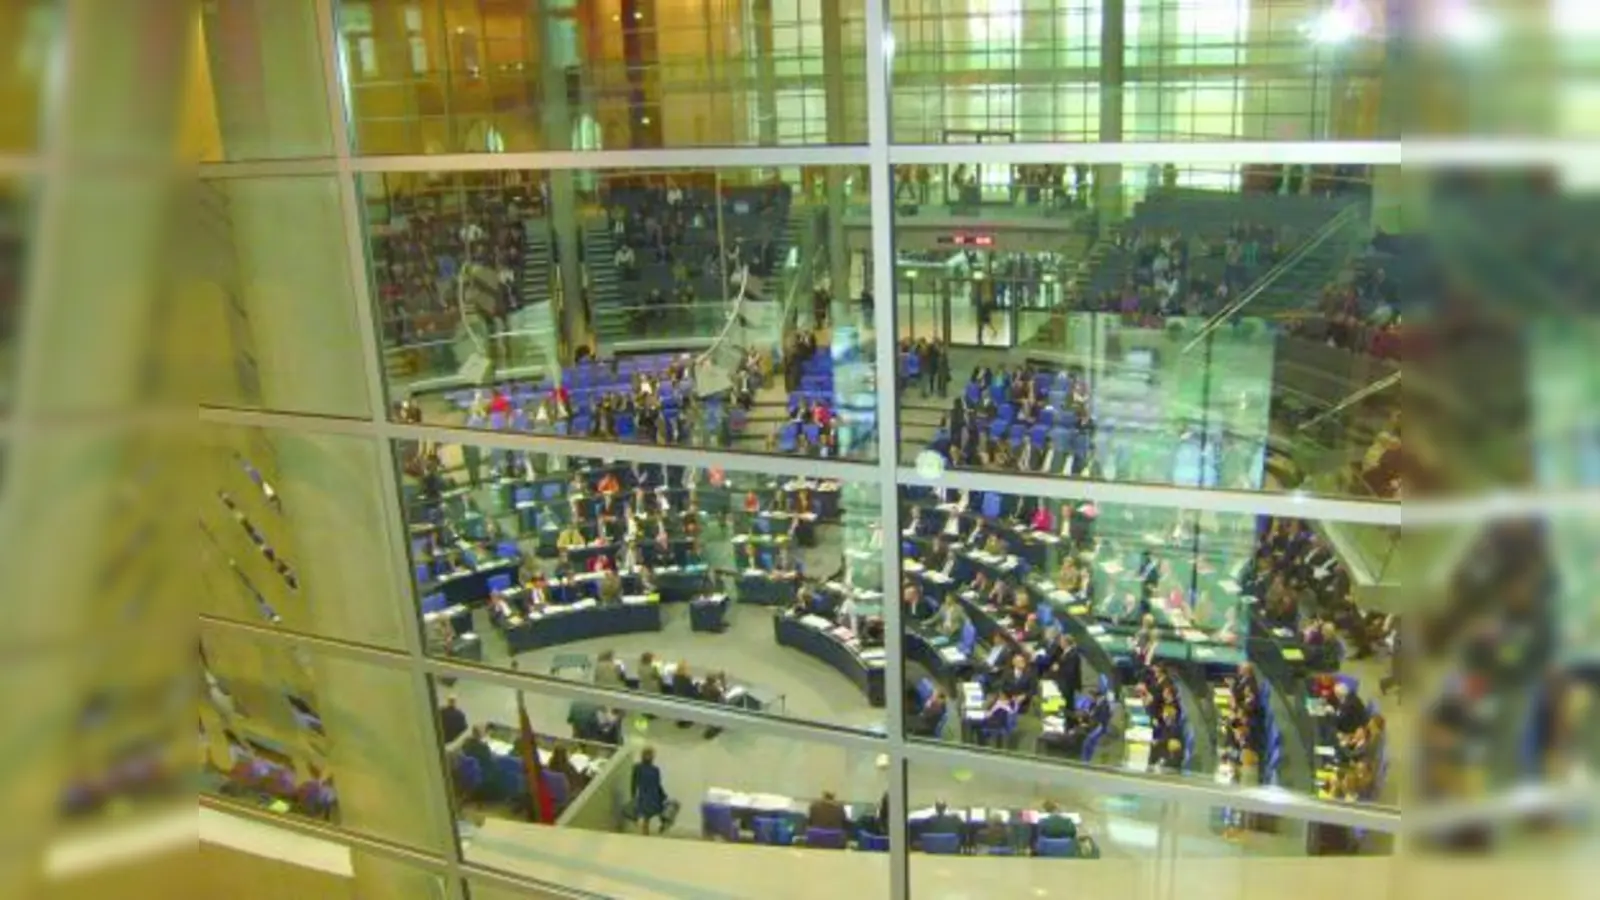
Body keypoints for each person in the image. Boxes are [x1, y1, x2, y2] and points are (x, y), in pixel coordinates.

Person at [630, 746, 669, 835]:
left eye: (650, 755)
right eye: (647, 754)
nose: (649, 757)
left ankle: (652, 830)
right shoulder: (638, 767)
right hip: (644, 794)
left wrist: (663, 795)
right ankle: (645, 833)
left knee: (658, 813)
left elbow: (658, 783)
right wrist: (633, 795)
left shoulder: (655, 769)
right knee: (644, 815)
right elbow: (634, 782)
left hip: (654, 794)